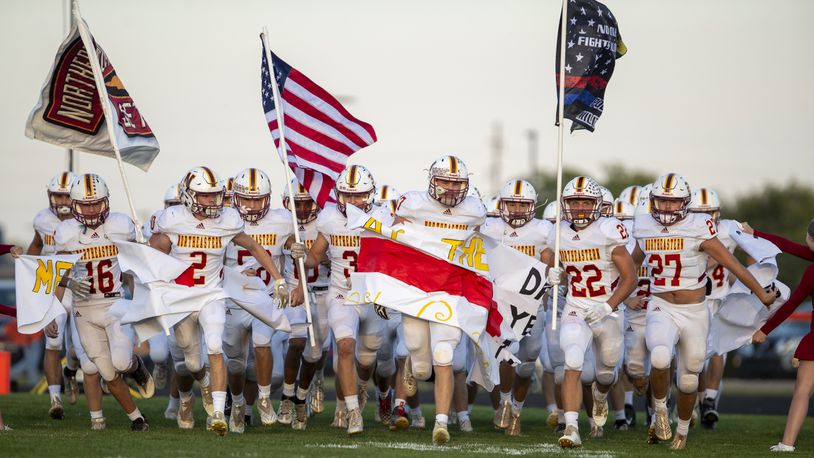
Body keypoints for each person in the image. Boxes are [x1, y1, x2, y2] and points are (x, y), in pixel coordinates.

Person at [632, 173, 776, 449]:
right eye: (661, 200)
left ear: (685, 203)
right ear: (652, 201)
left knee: (689, 378)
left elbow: (733, 264)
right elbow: (631, 264)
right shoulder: (644, 225)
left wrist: (760, 292)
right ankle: (660, 411)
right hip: (661, 305)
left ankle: (682, 431)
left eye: (672, 202)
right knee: (660, 356)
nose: (665, 207)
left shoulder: (699, 226)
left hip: (695, 311)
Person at [149, 166, 290, 435]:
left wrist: (278, 278)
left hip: (213, 294)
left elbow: (253, 246)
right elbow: (155, 253)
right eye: (204, 196)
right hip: (181, 298)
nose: (212, 201)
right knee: (192, 363)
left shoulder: (228, 219)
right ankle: (200, 388)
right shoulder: (172, 218)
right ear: (190, 196)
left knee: (214, 346)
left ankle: (217, 413)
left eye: (214, 195)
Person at [391, 155, 486, 445]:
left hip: (451, 293)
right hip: (416, 292)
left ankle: (441, 423)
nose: (451, 188)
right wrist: (385, 289)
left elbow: (483, 249)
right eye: (445, 181)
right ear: (432, 181)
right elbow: (391, 242)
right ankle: (412, 367)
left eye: (457, 183)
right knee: (421, 366)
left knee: (444, 354)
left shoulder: (474, 210)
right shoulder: (412, 203)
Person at [542, 176, 636, 448]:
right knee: (571, 361)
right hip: (575, 306)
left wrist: (608, 305)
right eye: (574, 201)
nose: (580, 207)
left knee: (607, 374)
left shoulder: (609, 230)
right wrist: (552, 271)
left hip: (607, 309)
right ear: (565, 204)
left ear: (597, 204)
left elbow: (631, 278)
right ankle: (572, 427)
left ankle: (600, 397)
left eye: (586, 201)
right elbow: (548, 259)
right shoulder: (558, 232)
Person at [55, 173, 154, 431]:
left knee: (121, 363)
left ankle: (136, 367)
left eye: (96, 203)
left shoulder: (120, 225)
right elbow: (54, 275)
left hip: (115, 304)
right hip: (84, 311)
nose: (91, 209)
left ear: (106, 202)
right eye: (86, 204)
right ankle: (137, 419)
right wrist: (66, 285)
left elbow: (136, 265)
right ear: (75, 205)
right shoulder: (66, 233)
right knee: (107, 373)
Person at [296, 164, 383, 436]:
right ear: (339, 195)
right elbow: (315, 257)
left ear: (370, 195)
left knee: (367, 361)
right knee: (345, 347)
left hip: (372, 296)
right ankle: (353, 412)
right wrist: (303, 255)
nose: (353, 201)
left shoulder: (384, 217)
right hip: (341, 293)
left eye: (359, 196)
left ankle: (360, 389)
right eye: (347, 195)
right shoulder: (330, 218)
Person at [222, 168, 292, 433]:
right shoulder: (224, 219)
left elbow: (296, 243)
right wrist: (236, 274)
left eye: (257, 199)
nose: (252, 205)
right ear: (236, 198)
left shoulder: (283, 220)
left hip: (266, 295)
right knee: (237, 363)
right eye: (247, 199)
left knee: (262, 344)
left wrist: (297, 246)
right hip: (234, 298)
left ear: (268, 198)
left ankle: (263, 399)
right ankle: (238, 403)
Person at [481, 179, 553, 436]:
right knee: (506, 354)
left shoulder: (543, 230)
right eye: (512, 203)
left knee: (528, 360)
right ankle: (505, 402)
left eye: (523, 205)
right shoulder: (489, 226)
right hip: (502, 304)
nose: (517, 209)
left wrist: (552, 275)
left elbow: (548, 265)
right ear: (502, 204)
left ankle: (517, 410)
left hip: (532, 306)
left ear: (533, 206)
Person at [744, 220, 814, 453]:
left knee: (802, 390)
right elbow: (787, 246)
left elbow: (790, 305)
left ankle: (787, 444)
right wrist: (755, 233)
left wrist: (764, 330)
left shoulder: (812, 271)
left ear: (811, 239)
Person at [27, 172, 79, 418]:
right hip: (53, 288)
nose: (62, 200)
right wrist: (25, 266)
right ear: (50, 195)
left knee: (79, 350)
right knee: (53, 342)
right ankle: (55, 398)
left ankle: (70, 370)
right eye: (58, 194)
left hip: (79, 287)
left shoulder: (86, 219)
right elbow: (36, 246)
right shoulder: (42, 220)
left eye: (67, 195)